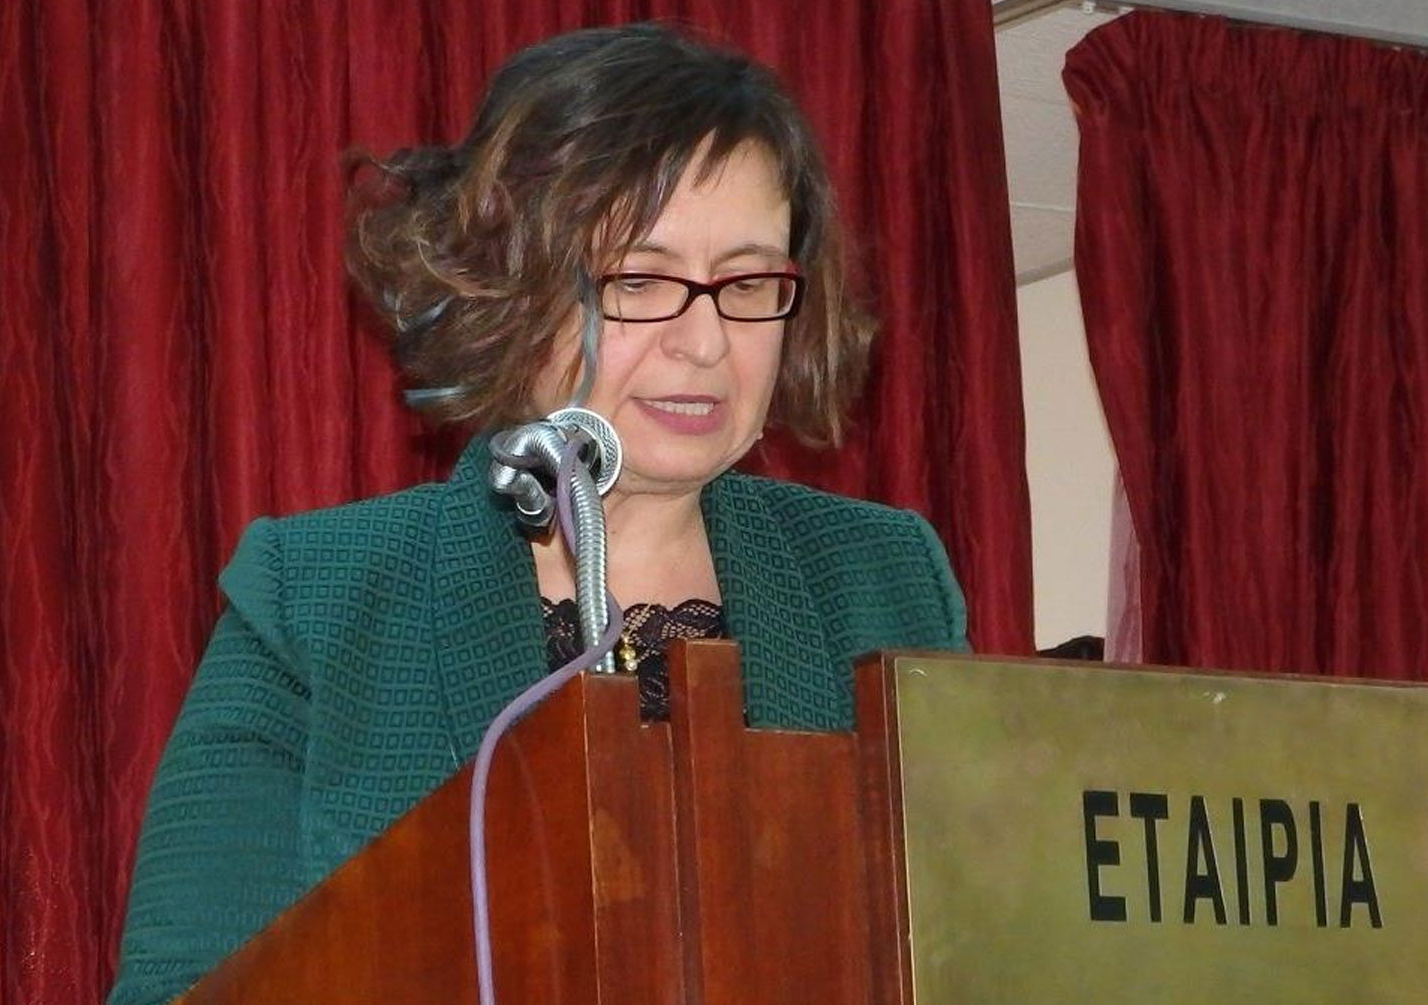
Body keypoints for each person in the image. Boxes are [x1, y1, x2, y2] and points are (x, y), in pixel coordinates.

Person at [108, 22, 969, 1005]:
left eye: (745, 282)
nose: (705, 341)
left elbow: (982, 945)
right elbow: (181, 990)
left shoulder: (882, 579)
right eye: (638, 280)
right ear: (509, 288)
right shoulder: (315, 599)